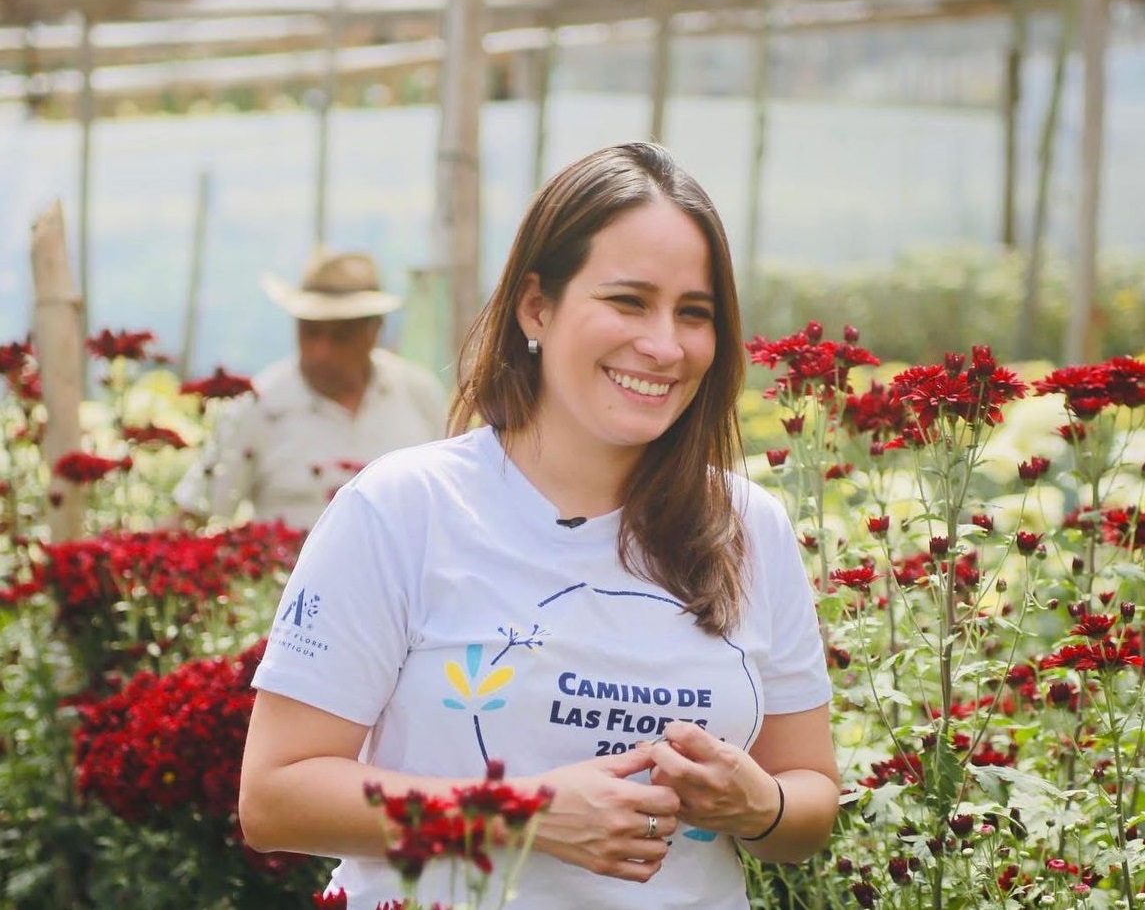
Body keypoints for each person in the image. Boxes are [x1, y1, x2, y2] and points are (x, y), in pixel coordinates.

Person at [238, 142, 840, 909]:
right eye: (628, 301)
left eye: (694, 313)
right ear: (536, 306)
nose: (663, 344)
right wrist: (520, 814)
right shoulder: (403, 509)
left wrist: (760, 806)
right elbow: (275, 797)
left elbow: (809, 794)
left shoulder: (748, 527)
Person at [173, 249, 448, 530]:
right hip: (286, 572)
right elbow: (194, 513)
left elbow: (451, 500)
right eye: (310, 333)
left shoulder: (419, 394)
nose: (321, 352)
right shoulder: (258, 405)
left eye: (341, 337)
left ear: (374, 331)